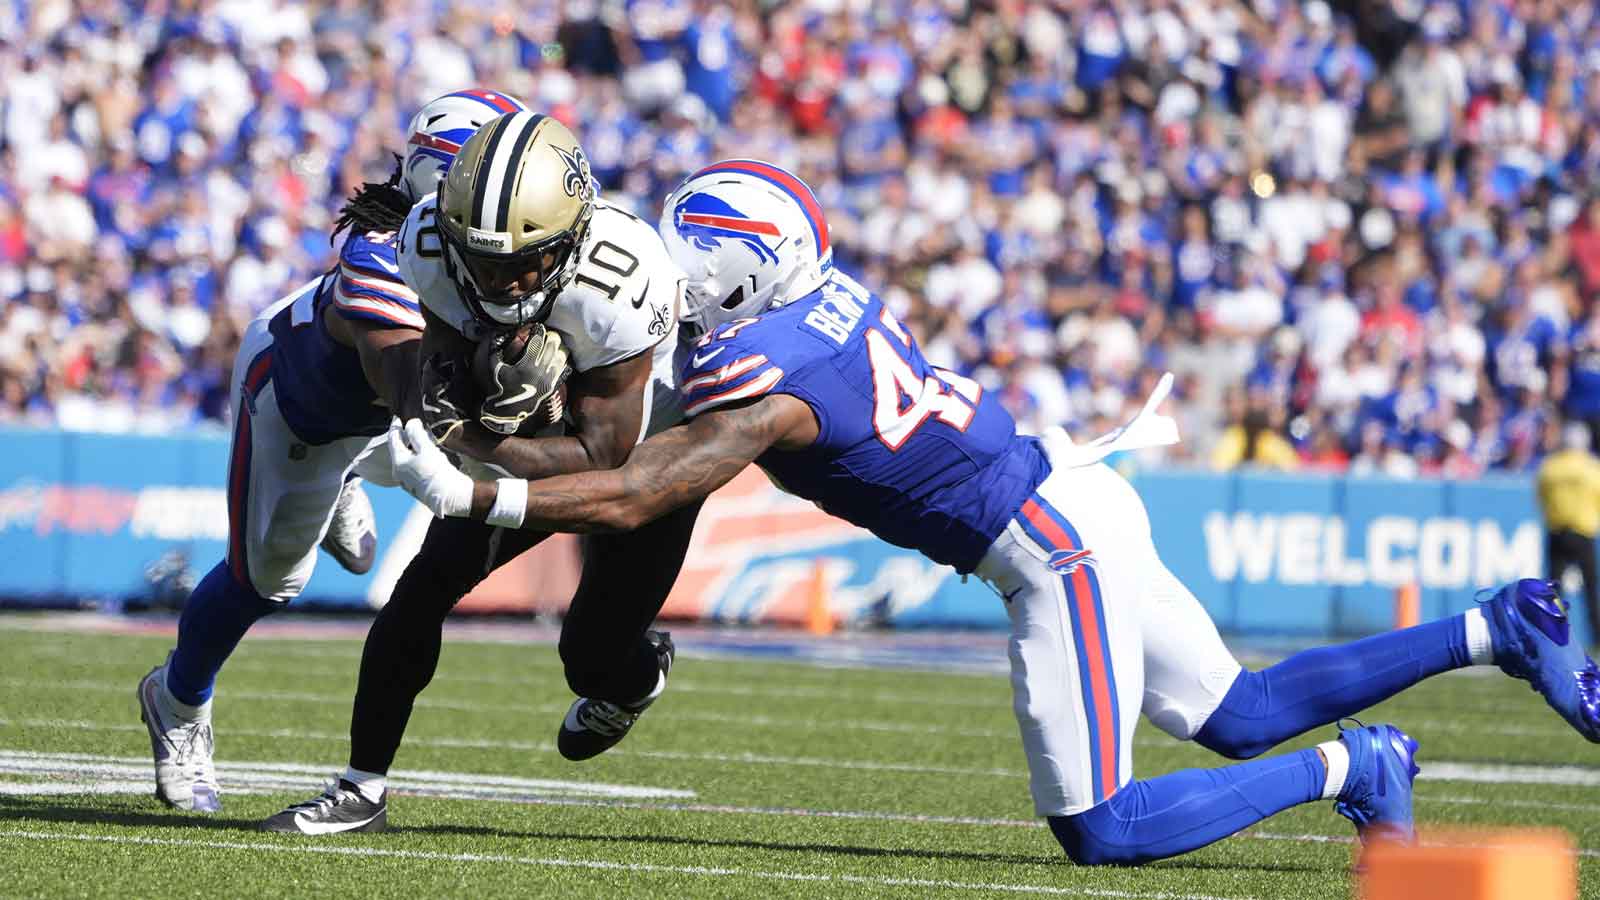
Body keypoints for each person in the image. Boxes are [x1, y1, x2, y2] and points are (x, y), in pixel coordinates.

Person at [387, 160, 1600, 863]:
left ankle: (1353, 766)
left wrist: (475, 487)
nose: (672, 262)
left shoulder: (762, 384)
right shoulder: (811, 307)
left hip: (1048, 546)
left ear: (742, 271)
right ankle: (1500, 627)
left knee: (1101, 830)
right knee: (1234, 713)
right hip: (1072, 489)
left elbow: (648, 484)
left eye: (692, 249)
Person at [265, 111, 697, 835]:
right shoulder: (431, 241)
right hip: (531, 431)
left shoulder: (620, 280)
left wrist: (470, 436)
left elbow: (603, 458)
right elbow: (441, 350)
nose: (502, 279)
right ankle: (360, 787)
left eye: (525, 261)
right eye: (484, 260)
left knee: (590, 661)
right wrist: (448, 397)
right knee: (420, 590)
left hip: (649, 453)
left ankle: (637, 675)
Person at [135, 89, 529, 813]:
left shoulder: (501, 243)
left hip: (382, 417)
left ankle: (348, 476)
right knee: (270, 582)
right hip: (306, 409)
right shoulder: (383, 253)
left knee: (390, 502)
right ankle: (178, 699)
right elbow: (414, 394)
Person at [1536, 422, 1600, 645]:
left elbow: (1541, 497)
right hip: (1583, 531)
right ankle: (1597, 636)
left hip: (1557, 532)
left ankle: (1552, 634)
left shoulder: (1550, 466)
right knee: (1590, 590)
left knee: (1553, 591)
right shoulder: (1592, 467)